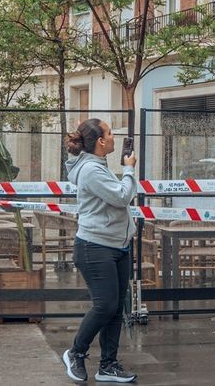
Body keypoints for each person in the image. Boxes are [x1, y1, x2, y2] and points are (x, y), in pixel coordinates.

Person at [61, 118, 138, 384]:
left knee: (116, 308)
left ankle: (108, 365)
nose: (115, 136)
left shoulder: (97, 166)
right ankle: (75, 352)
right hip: (95, 247)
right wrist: (129, 170)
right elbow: (121, 197)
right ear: (101, 141)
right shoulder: (92, 170)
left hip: (117, 245)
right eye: (110, 133)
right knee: (105, 306)